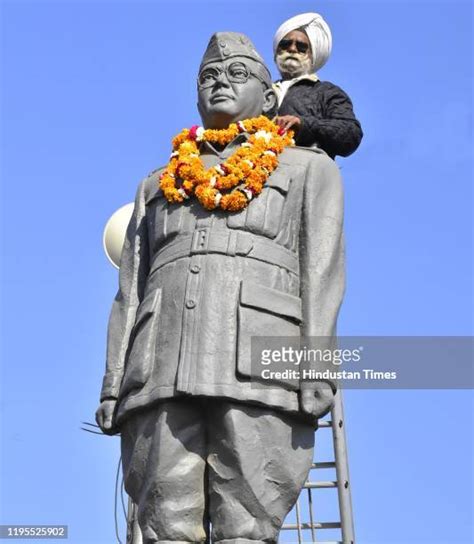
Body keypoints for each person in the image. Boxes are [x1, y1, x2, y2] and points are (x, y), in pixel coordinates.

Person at [96, 31, 345, 544]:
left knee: (248, 524)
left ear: (266, 91)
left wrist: (316, 365)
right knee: (164, 523)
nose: (219, 84)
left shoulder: (306, 168)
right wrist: (113, 382)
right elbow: (131, 288)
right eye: (208, 76)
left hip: (258, 365)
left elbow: (321, 274)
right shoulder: (158, 182)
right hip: (160, 367)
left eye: (236, 75)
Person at [273, 12, 363, 159]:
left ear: (312, 55)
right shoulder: (260, 89)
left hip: (301, 169)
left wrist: (302, 124)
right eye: (285, 44)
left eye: (301, 46)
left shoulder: (326, 92)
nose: (292, 49)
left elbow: (350, 134)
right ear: (277, 51)